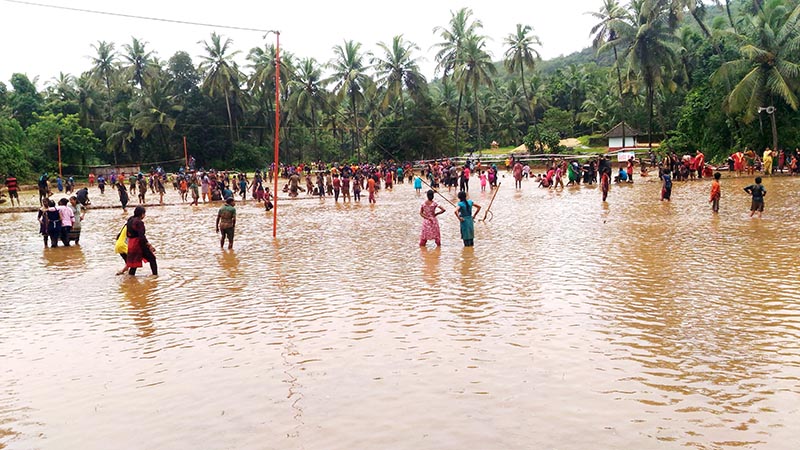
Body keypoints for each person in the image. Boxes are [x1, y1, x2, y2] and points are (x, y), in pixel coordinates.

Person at [125, 206, 157, 276]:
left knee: (134, 264)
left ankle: (130, 279)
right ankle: (155, 276)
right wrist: (149, 245)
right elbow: (141, 236)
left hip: (131, 244)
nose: (144, 216)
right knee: (152, 258)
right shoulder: (139, 222)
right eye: (144, 214)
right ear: (142, 214)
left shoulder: (130, 220)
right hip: (138, 244)